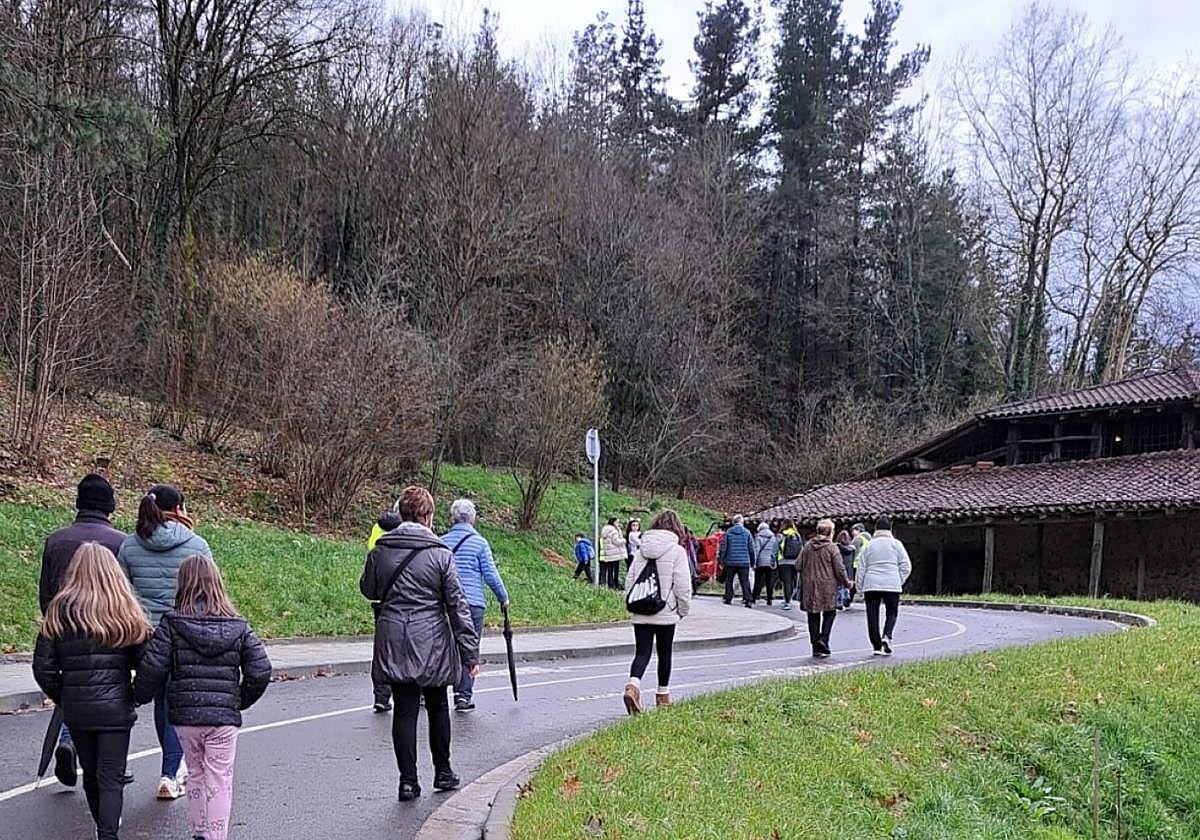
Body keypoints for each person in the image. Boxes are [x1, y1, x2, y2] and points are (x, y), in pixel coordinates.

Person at [135, 556, 271, 840]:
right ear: (217, 584)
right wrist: (238, 700)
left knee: (195, 774)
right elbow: (260, 670)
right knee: (220, 780)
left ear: (182, 584)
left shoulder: (172, 624)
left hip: (185, 717)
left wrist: (137, 696)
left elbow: (152, 668)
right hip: (223, 719)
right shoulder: (238, 625)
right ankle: (215, 836)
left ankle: (199, 831)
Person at [360, 486, 479, 802]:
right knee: (438, 704)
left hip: (394, 637)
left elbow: (368, 589)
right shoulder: (440, 554)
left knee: (404, 708)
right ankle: (443, 772)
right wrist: (469, 653)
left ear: (400, 514)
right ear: (428, 516)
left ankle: (408, 782)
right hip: (432, 639)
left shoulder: (381, 550)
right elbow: (457, 606)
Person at [33, 543, 153, 840]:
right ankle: (108, 833)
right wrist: (137, 694)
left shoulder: (60, 611)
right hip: (116, 709)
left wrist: (63, 696)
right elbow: (150, 663)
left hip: (78, 709)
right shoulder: (124, 609)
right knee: (111, 776)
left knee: (91, 774)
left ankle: (102, 825)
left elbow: (43, 667)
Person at [117, 484, 211, 800]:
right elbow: (208, 595)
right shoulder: (197, 545)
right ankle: (170, 773)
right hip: (183, 635)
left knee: (161, 701)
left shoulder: (129, 546)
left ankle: (168, 770)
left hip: (145, 637)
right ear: (179, 509)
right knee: (176, 704)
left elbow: (121, 594)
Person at [39, 474, 127, 788]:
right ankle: (107, 765)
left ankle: (70, 742)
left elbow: (45, 592)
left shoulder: (56, 541)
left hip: (63, 630)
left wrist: (54, 628)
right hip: (109, 630)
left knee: (74, 691)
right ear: (109, 505)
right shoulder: (120, 543)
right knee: (107, 699)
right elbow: (127, 593)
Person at [622, 510, 693, 714]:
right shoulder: (677, 551)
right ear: (677, 529)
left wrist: (632, 603)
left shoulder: (641, 550)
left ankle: (633, 686)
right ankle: (663, 697)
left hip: (641, 609)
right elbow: (682, 585)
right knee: (664, 653)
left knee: (642, 652)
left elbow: (630, 580)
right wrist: (683, 610)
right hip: (665, 612)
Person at [442, 498, 509, 713]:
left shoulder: (441, 542)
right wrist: (503, 597)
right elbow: (490, 574)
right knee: (469, 646)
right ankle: (463, 696)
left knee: (445, 646)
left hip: (447, 603)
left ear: (452, 518)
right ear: (473, 519)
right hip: (473, 604)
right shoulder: (480, 543)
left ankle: (433, 691)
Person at [855, 515, 911, 656]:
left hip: (871, 584)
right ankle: (887, 635)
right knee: (892, 612)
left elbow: (861, 567)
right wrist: (898, 580)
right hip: (892, 584)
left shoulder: (869, 545)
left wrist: (859, 587)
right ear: (890, 529)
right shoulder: (896, 544)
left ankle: (876, 645)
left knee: (872, 615)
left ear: (875, 529)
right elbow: (906, 566)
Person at [366, 504, 404, 712]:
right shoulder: (414, 538)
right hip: (407, 603)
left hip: (383, 603)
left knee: (382, 650)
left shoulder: (377, 529)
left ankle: (381, 695)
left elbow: (368, 586)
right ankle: (415, 693)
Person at [798, 519, 852, 658]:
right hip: (828, 585)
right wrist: (847, 583)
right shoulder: (832, 548)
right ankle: (824, 638)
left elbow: (798, 565)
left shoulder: (808, 546)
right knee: (830, 612)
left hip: (810, 585)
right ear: (830, 533)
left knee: (813, 614)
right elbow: (839, 569)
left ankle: (815, 646)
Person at [750, 522, 779, 606]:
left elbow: (756, 550)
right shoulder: (773, 537)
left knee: (758, 580)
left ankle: (754, 598)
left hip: (761, 561)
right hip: (770, 562)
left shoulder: (758, 537)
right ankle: (769, 599)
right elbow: (775, 550)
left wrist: (754, 562)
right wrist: (773, 560)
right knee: (769, 581)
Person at [776, 520, 802, 610]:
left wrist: (773, 559)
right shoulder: (797, 535)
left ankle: (787, 602)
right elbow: (801, 549)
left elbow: (775, 547)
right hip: (795, 562)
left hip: (783, 562)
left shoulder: (782, 535)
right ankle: (789, 598)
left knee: (786, 582)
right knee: (793, 582)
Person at [600, 517, 626, 590]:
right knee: (612, 571)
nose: (618, 524)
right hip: (614, 553)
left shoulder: (605, 529)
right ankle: (612, 586)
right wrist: (624, 540)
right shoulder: (613, 531)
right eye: (617, 522)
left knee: (608, 570)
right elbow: (616, 541)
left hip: (607, 553)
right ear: (613, 522)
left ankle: (607, 585)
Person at [835, 530, 856, 610]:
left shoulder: (836, 547)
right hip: (849, 569)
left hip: (840, 568)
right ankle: (846, 599)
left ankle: (839, 601)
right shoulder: (852, 549)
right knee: (847, 586)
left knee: (839, 586)